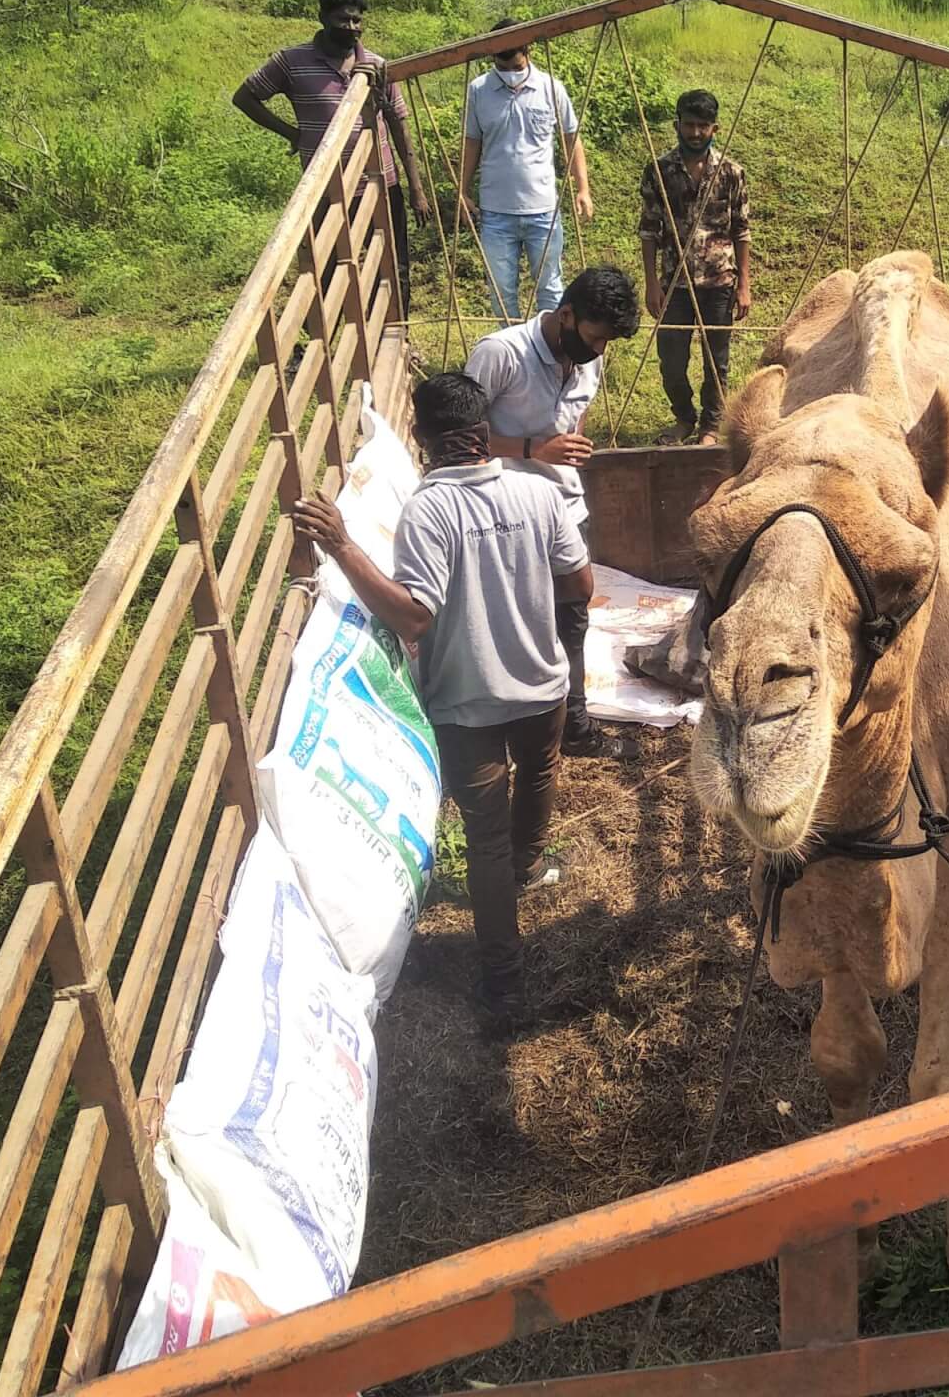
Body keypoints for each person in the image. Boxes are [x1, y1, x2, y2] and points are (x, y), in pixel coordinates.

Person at [292, 373, 591, 1032]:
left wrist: (341, 546)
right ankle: (530, 864)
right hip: (543, 685)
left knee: (482, 837)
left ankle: (505, 985)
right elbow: (581, 582)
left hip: (466, 700)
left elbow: (414, 618)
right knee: (540, 774)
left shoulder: (428, 510)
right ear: (485, 430)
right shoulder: (538, 489)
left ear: (424, 441)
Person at [466, 264, 641, 755]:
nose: (599, 350)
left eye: (607, 342)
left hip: (562, 500)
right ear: (566, 315)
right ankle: (516, 724)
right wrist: (532, 449)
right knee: (517, 614)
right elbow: (457, 435)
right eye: (594, 336)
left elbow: (573, 418)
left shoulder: (590, 360)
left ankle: (574, 724)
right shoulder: (501, 354)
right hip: (504, 506)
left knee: (574, 607)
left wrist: (567, 447)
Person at [234, 0, 429, 312]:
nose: (352, 28)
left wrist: (416, 188)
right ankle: (322, 349)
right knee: (323, 268)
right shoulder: (291, 62)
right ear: (322, 17)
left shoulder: (378, 66)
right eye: (343, 20)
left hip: (381, 183)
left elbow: (399, 125)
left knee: (393, 265)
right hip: (325, 189)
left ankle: (396, 337)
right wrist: (292, 133)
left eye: (357, 21)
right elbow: (245, 97)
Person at [459, 19, 595, 322]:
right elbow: (471, 141)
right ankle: (514, 361)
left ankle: (552, 355)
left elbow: (571, 139)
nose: (509, 71)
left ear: (527, 50)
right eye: (502, 62)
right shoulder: (479, 90)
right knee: (502, 293)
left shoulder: (550, 88)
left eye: (515, 63)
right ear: (492, 56)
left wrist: (583, 188)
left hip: (543, 210)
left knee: (550, 290)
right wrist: (462, 190)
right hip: (496, 212)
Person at [639, 89, 752, 445]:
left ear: (715, 128)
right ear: (677, 125)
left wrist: (744, 284)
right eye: (689, 125)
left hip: (719, 279)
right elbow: (649, 229)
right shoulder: (659, 171)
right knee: (671, 360)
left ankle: (710, 426)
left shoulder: (732, 172)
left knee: (715, 361)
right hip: (675, 282)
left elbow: (742, 230)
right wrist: (652, 282)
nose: (695, 133)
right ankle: (684, 418)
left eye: (703, 126)